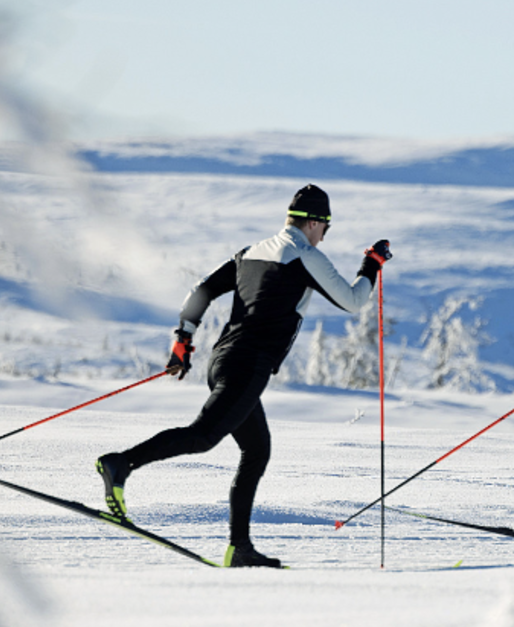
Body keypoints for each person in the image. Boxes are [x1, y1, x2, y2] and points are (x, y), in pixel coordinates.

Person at [96, 185, 392, 567]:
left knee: (256, 449)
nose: (324, 236)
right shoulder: (305, 255)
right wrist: (372, 264)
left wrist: (183, 339)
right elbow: (354, 300)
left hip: (224, 359)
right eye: (325, 228)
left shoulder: (249, 252)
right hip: (248, 364)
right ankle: (121, 463)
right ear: (315, 223)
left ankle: (240, 548)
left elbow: (202, 290)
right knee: (203, 436)